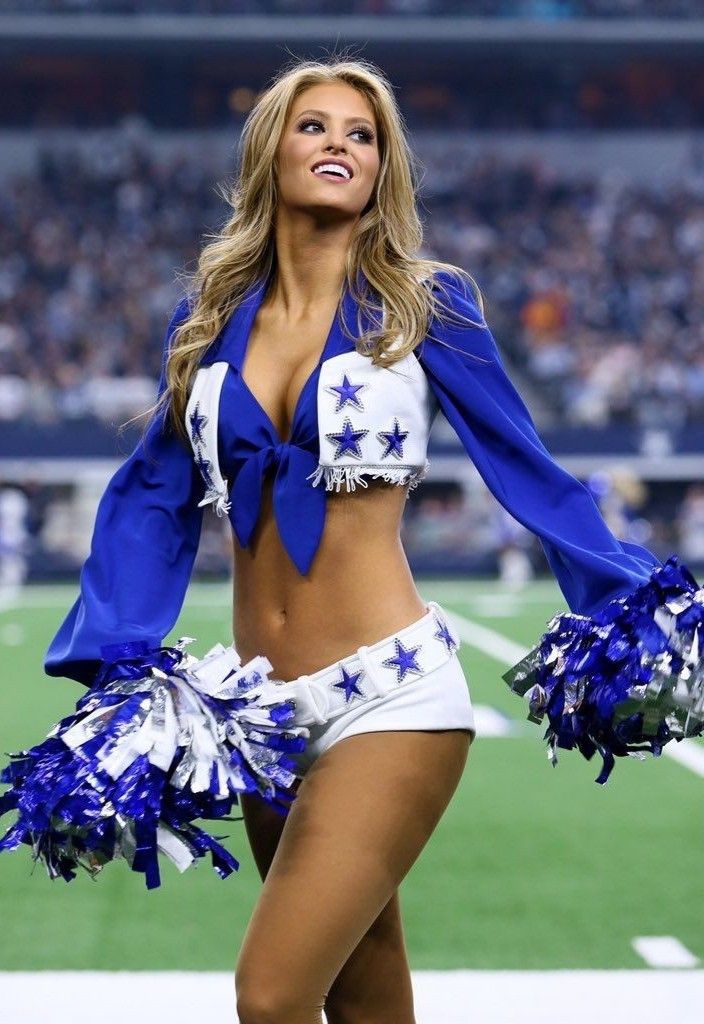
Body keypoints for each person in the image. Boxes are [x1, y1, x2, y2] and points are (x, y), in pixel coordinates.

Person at [34, 57, 678, 1024]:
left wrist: (638, 603)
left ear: (382, 169)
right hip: (258, 722)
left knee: (270, 995)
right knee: (363, 993)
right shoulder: (207, 321)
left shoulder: (428, 304)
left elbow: (529, 467)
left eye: (362, 133)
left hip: (392, 694)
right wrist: (117, 671)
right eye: (314, 126)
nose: (339, 143)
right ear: (270, 152)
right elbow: (148, 501)